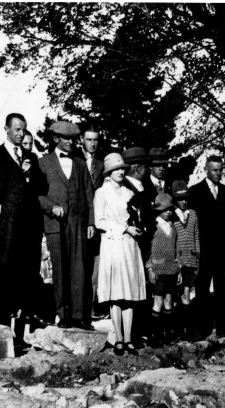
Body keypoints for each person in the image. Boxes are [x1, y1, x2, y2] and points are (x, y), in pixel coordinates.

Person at [0, 113, 45, 325]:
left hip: (28, 225)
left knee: (27, 269)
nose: (20, 134)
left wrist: (27, 174)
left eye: (24, 130)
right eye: (17, 129)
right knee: (2, 268)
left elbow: (40, 188)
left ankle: (26, 313)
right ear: (6, 129)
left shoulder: (31, 158)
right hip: (5, 226)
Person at [38, 120, 95, 329]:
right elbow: (37, 195)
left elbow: (89, 194)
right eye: (66, 139)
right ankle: (63, 315)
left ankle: (80, 315)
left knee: (79, 269)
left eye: (73, 139)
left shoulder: (80, 164)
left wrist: (90, 223)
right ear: (55, 139)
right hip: (55, 225)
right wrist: (51, 207)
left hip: (78, 224)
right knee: (60, 270)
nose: (71, 142)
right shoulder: (43, 163)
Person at [94, 153, 146, 356]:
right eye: (115, 169)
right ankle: (118, 339)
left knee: (129, 293)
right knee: (116, 292)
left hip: (129, 246)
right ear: (108, 172)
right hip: (112, 243)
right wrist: (124, 229)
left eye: (122, 168)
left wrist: (137, 226)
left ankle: (129, 339)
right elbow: (100, 221)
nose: (120, 172)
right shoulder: (102, 193)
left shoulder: (128, 192)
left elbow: (135, 217)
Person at [188, 155, 225, 338]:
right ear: (206, 169)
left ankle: (223, 329)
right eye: (214, 170)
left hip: (222, 250)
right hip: (203, 251)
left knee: (223, 291)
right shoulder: (195, 191)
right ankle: (202, 329)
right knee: (202, 291)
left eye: (221, 170)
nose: (218, 173)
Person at [146, 193, 179, 343]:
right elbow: (148, 251)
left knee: (169, 300)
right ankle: (155, 334)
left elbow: (176, 249)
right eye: (165, 209)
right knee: (158, 301)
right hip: (158, 270)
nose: (168, 212)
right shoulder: (154, 227)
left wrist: (178, 269)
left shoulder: (173, 228)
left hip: (171, 269)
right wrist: (150, 269)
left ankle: (167, 333)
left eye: (170, 209)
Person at [80, 126, 105, 319]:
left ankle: (92, 306)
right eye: (89, 140)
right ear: (82, 140)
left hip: (97, 220)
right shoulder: (74, 161)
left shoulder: (102, 165)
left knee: (96, 266)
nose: (93, 144)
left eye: (95, 140)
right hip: (79, 220)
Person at [171, 180, 199, 335]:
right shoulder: (172, 216)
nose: (183, 202)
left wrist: (197, 259)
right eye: (180, 199)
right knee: (174, 294)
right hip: (176, 261)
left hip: (190, 260)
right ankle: (175, 329)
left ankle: (187, 329)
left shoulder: (193, 214)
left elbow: (196, 237)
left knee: (186, 293)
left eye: (186, 199)